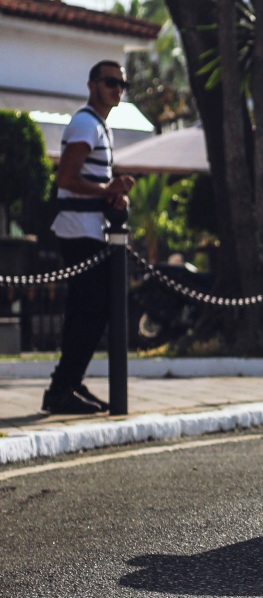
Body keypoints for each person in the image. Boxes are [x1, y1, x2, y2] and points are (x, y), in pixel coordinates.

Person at [42, 60, 136, 413]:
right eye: (110, 82)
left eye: (121, 84)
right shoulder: (85, 123)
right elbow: (65, 179)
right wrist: (107, 188)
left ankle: (68, 384)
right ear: (91, 85)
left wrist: (109, 192)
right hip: (80, 233)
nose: (117, 89)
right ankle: (61, 388)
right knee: (91, 311)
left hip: (89, 232)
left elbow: (84, 181)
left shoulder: (97, 126)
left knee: (88, 312)